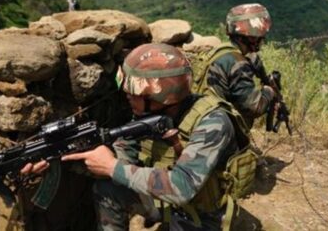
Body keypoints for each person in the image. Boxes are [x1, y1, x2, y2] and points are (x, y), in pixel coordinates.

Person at [23, 43, 255, 231]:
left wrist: (112, 166)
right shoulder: (149, 115)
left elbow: (181, 187)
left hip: (204, 217)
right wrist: (61, 159)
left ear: (161, 95)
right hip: (169, 204)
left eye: (133, 93)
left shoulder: (212, 122)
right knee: (107, 190)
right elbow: (124, 152)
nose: (127, 97)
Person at [193, 3, 276, 130]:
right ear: (252, 37)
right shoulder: (238, 63)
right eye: (260, 37)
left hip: (199, 119)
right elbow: (254, 108)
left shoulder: (219, 51)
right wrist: (269, 91)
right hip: (215, 129)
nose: (262, 39)